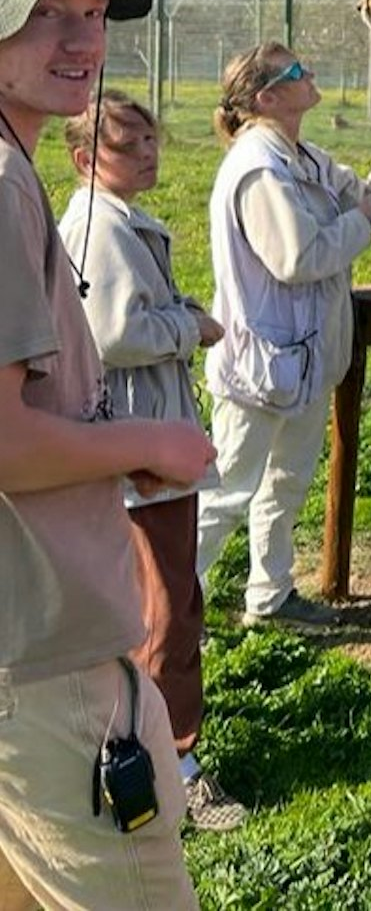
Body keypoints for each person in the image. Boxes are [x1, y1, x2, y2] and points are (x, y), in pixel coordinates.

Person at [0, 0, 216, 909]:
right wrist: (150, 437)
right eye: (49, 13)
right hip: (44, 672)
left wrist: (93, 443)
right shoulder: (1, 183)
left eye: (95, 13)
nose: (83, 41)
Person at [58, 89, 248, 833]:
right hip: (140, 448)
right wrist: (188, 325)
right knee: (165, 614)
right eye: (128, 145)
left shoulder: (116, 221)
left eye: (150, 141)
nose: (148, 153)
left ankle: (154, 751)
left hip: (148, 439)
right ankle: (172, 769)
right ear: (84, 159)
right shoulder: (99, 227)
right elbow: (111, 332)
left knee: (176, 603)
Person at [196, 42, 371, 628]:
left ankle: (269, 599)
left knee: (283, 487)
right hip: (258, 371)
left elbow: (367, 199)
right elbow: (299, 256)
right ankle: (162, 612)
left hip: (299, 365)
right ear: (267, 98)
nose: (312, 73)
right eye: (297, 70)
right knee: (225, 497)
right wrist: (361, 225)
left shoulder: (303, 157)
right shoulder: (259, 169)